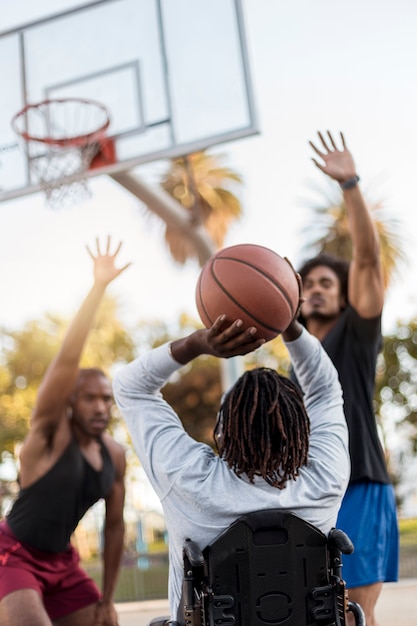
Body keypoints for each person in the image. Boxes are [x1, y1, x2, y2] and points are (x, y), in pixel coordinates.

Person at [113, 282, 350, 622]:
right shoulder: (324, 478)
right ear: (301, 430)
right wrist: (288, 321)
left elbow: (130, 387)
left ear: (224, 430)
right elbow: (325, 389)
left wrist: (197, 344)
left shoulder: (191, 481)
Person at [297, 131, 399, 626]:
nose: (313, 290)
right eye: (306, 284)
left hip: (359, 481)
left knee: (352, 609)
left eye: (324, 283)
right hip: (310, 490)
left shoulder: (354, 338)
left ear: (343, 297)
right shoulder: (293, 365)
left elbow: (366, 260)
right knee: (312, 608)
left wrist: (351, 185)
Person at [0, 237, 129, 626]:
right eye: (90, 398)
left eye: (106, 399)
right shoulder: (49, 434)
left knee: (107, 623)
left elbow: (116, 525)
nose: (100, 407)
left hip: (64, 564)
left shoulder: (115, 455)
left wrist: (106, 598)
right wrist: (99, 288)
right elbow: (67, 359)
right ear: (71, 402)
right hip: (14, 554)